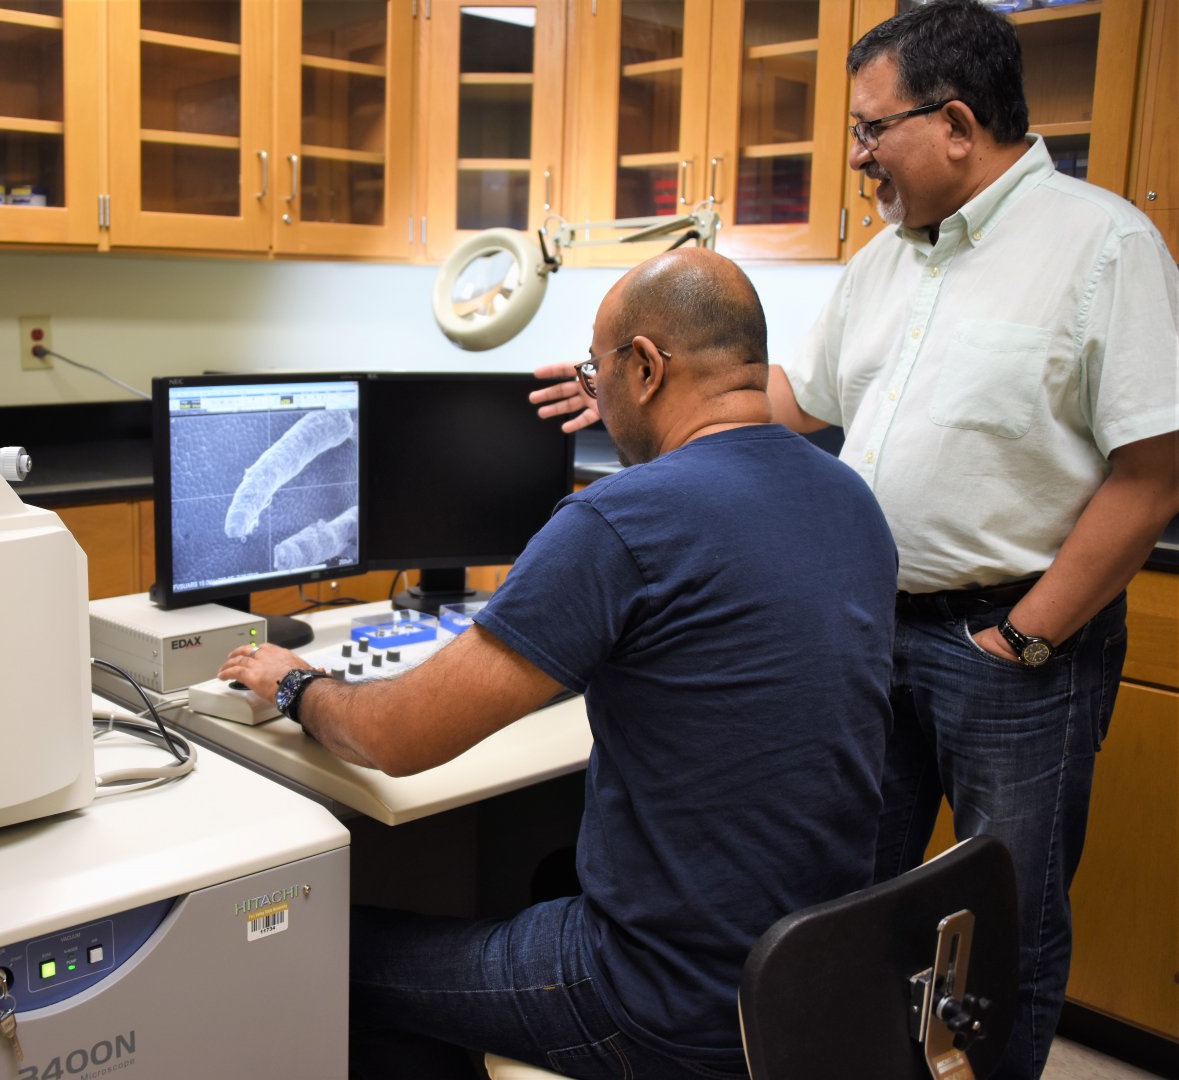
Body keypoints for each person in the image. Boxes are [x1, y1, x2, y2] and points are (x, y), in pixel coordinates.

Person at [530, 5, 1179, 1077]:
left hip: (1012, 649)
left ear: (957, 123)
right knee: (841, 900)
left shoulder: (1103, 246)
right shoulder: (884, 262)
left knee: (999, 919)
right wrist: (634, 394)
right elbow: (790, 401)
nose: (857, 154)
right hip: (870, 633)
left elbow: (1151, 472)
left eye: (872, 129)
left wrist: (1023, 637)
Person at [221, 248, 899, 1079]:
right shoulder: (849, 498)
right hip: (802, 981)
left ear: (645, 367)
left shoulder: (625, 519)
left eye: (597, 368)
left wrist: (294, 683)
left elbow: (396, 738)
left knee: (329, 948)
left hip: (652, 1003)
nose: (595, 392)